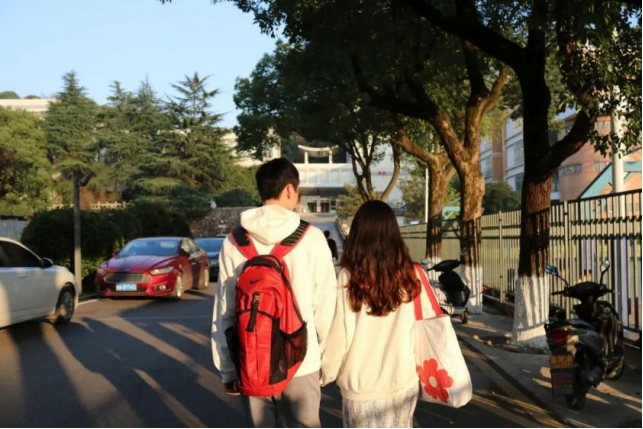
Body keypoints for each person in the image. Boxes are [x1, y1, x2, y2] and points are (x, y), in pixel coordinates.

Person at [212, 158, 338, 428]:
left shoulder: (234, 242)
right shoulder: (312, 238)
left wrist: (228, 368)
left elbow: (225, 312)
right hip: (302, 360)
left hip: (251, 360)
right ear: (290, 190)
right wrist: (327, 363)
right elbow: (326, 308)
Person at [321, 200, 432, 428]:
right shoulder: (412, 275)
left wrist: (326, 372)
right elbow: (426, 324)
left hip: (361, 386)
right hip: (403, 380)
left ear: (358, 234)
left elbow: (339, 335)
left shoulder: (349, 278)